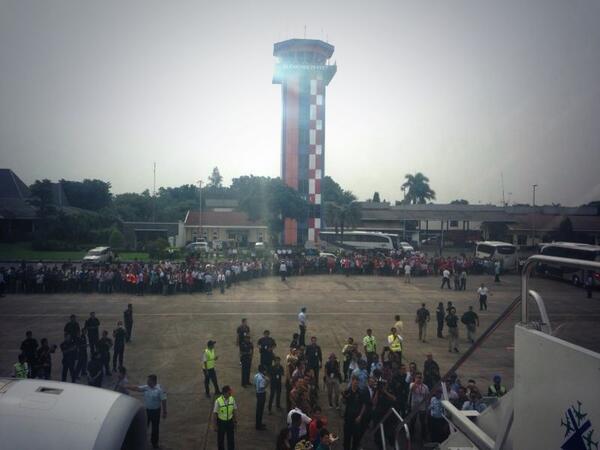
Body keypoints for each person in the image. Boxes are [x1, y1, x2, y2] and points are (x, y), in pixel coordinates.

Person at [128, 374, 168, 449]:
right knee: (144, 427)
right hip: (147, 411)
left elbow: (164, 400)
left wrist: (164, 411)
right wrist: (127, 386)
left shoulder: (160, 389)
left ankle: (154, 443)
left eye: (149, 380)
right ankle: (141, 442)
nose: (147, 381)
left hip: (156, 411)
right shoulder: (146, 387)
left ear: (153, 381)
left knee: (155, 428)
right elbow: (137, 388)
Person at [342, 375, 369, 450]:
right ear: (352, 381)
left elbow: (364, 405)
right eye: (354, 381)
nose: (355, 383)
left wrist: (360, 416)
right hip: (348, 418)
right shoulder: (347, 391)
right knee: (347, 437)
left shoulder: (361, 392)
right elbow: (344, 402)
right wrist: (344, 397)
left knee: (356, 438)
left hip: (357, 419)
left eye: (357, 382)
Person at [213, 385, 237, 450]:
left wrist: (235, 421)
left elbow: (234, 410)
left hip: (230, 422)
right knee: (220, 439)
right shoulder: (218, 401)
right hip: (221, 423)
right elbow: (215, 414)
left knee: (231, 439)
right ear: (224, 393)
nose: (230, 394)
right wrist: (215, 425)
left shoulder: (232, 399)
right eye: (229, 393)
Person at [409, 372, 430, 442]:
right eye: (417, 377)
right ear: (415, 378)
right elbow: (412, 389)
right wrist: (415, 382)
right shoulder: (412, 384)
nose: (419, 379)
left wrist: (427, 407)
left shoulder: (425, 387)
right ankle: (410, 436)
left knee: (423, 422)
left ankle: (423, 437)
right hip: (414, 406)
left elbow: (427, 397)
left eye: (420, 378)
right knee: (413, 422)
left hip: (422, 407)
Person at [254, 364, 269, 430]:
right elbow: (262, 387)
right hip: (261, 394)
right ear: (263, 371)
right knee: (260, 410)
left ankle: (259, 423)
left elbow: (255, 384)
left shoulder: (256, 375)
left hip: (258, 393)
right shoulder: (262, 378)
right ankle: (258, 425)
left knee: (258, 410)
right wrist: (267, 382)